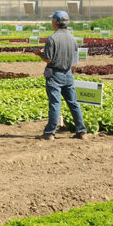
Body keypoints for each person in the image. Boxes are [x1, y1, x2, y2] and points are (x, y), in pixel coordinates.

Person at [40, 11, 89, 141]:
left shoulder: (52, 38)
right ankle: (82, 131)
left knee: (55, 104)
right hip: (68, 73)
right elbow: (75, 60)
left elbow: (48, 59)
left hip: (55, 74)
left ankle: (50, 132)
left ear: (55, 22)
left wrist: (39, 54)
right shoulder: (73, 38)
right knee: (73, 103)